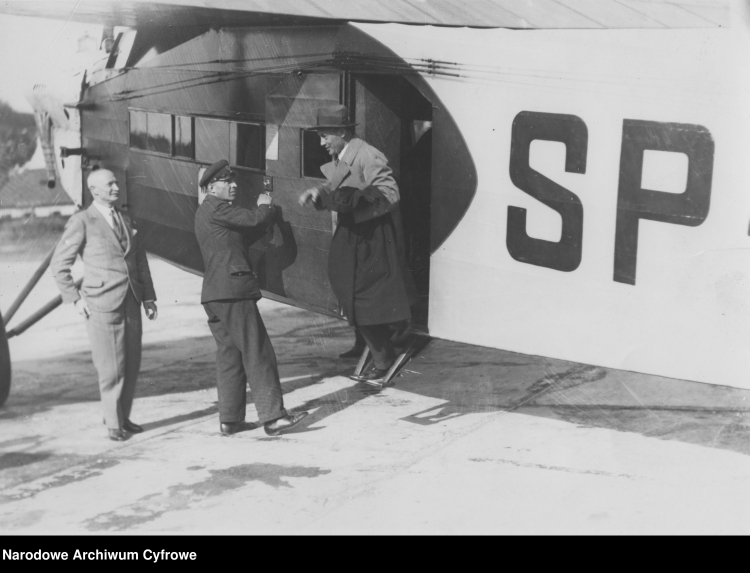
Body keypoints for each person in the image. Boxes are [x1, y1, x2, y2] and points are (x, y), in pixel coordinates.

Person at [299, 105, 417, 386]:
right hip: (356, 233)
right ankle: (383, 344)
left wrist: (348, 201)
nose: (322, 142)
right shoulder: (344, 155)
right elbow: (337, 185)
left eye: (325, 136)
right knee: (349, 289)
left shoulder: (367, 154)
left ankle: (385, 353)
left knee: (364, 297)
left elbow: (390, 193)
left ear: (342, 132)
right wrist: (320, 192)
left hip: (372, 236)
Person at [195, 159, 308, 436]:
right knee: (258, 351)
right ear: (212, 187)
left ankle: (230, 420)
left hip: (215, 294)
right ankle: (273, 418)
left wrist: (265, 220)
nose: (234, 186)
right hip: (233, 292)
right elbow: (255, 218)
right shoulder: (218, 207)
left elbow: (241, 238)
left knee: (230, 354)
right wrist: (266, 205)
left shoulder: (206, 212)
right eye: (228, 182)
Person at [51, 169, 158, 441]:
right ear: (94, 190)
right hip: (101, 304)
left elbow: (139, 261)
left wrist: (148, 297)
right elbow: (59, 265)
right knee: (111, 368)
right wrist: (75, 299)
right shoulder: (82, 221)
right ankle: (113, 424)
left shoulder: (124, 217)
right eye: (109, 184)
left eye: (116, 183)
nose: (116, 188)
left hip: (132, 300)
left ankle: (122, 416)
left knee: (131, 364)